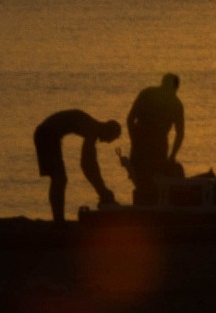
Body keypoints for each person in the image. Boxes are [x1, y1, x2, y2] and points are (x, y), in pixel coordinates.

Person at [33, 109, 121, 224]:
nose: (108, 142)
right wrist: (102, 190)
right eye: (111, 138)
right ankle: (58, 220)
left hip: (49, 135)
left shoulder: (92, 128)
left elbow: (89, 165)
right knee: (59, 179)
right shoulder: (92, 130)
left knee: (59, 179)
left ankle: (58, 219)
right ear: (108, 130)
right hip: (46, 135)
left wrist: (101, 188)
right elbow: (87, 165)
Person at [124, 73, 187, 204]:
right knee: (145, 182)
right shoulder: (171, 102)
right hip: (147, 145)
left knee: (148, 183)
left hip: (151, 146)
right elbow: (179, 133)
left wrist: (172, 156)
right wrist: (134, 140)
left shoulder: (150, 95)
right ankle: (145, 212)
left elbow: (130, 120)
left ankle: (147, 210)